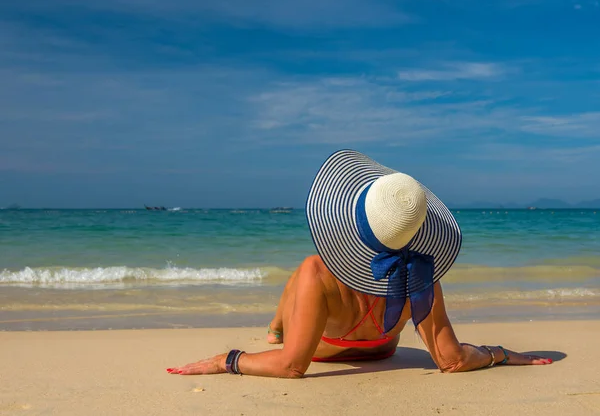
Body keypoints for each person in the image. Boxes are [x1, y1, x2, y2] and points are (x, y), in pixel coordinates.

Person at [167, 150, 552, 378]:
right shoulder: (421, 271)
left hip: (324, 351)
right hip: (382, 349)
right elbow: (451, 360)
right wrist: (500, 353)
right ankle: (274, 326)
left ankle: (275, 327)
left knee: (307, 272)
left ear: (347, 221)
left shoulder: (319, 271)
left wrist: (228, 360)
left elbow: (291, 366)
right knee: (307, 275)